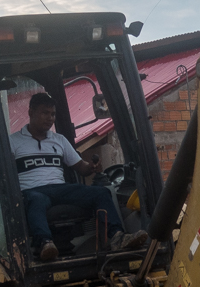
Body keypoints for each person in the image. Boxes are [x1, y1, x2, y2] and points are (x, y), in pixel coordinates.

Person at [8, 92, 145, 261]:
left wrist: (92, 167)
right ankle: (44, 243)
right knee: (36, 201)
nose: (50, 118)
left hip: (61, 189)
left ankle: (117, 237)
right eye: (45, 113)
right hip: (33, 191)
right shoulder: (13, 141)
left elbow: (81, 168)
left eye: (53, 114)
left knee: (101, 193)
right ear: (31, 112)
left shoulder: (59, 140)